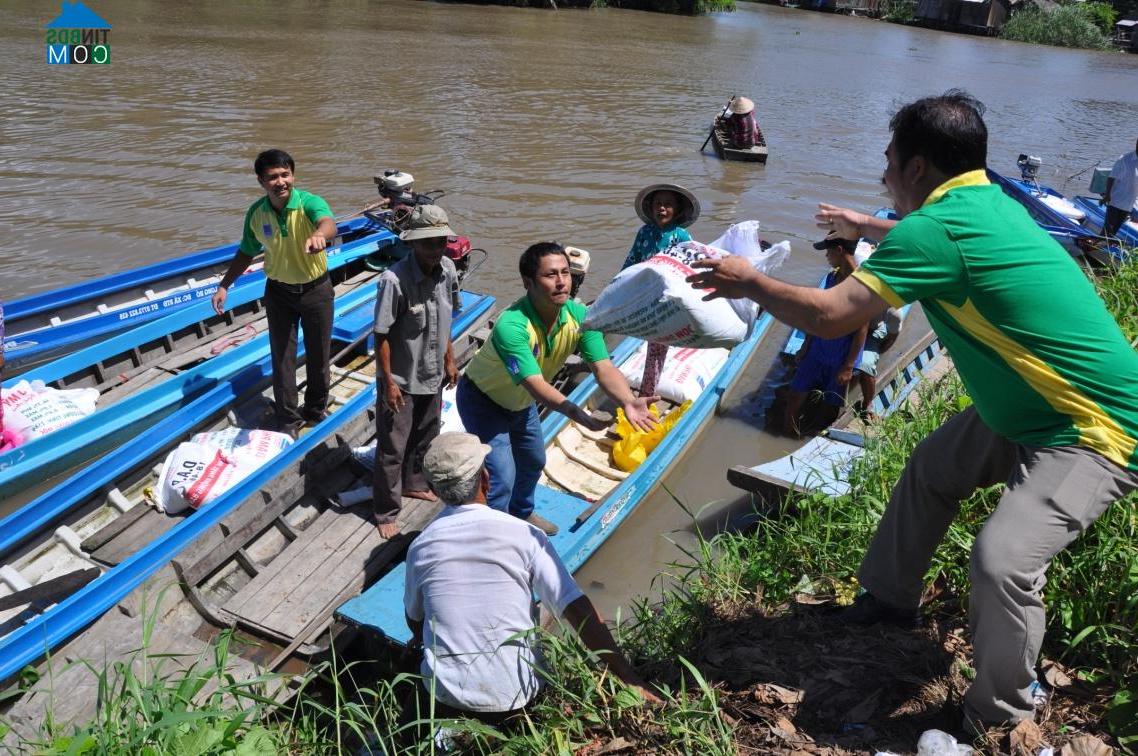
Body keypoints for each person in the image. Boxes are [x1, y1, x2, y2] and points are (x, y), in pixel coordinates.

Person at [688, 90, 1138, 733]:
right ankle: (889, 602)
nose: (884, 176)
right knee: (931, 469)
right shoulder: (989, 204)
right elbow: (924, 237)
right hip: (1027, 407)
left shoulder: (936, 229)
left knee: (1002, 562)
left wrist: (749, 280)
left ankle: (1003, 711)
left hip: (1094, 425)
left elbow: (827, 315)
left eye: (890, 162)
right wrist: (863, 224)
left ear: (918, 168)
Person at [401, 431, 658, 736]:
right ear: (486, 478)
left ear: (434, 490)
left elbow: (415, 621)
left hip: (446, 696)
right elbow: (575, 608)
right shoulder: (525, 535)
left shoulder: (421, 546)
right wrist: (628, 677)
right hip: (516, 697)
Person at [458, 242, 659, 536]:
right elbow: (537, 386)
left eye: (565, 272)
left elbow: (602, 367)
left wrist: (628, 400)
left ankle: (522, 512)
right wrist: (578, 414)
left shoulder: (579, 316)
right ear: (529, 282)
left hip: (520, 401)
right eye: (551, 275)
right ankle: (494, 536)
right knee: (501, 477)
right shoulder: (512, 326)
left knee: (535, 460)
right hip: (483, 401)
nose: (562, 281)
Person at [212, 149, 338, 436]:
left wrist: (320, 234)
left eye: (285, 175)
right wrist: (224, 285)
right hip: (279, 292)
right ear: (261, 181)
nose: (280, 182)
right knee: (282, 358)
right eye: (272, 177)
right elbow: (246, 251)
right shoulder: (257, 213)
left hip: (316, 290)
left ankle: (316, 409)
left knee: (319, 355)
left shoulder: (308, 203)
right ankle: (288, 420)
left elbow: (328, 223)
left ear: (292, 175)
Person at [371, 204, 461, 540]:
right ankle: (385, 509)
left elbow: (447, 321)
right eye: (428, 243)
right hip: (402, 378)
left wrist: (450, 361)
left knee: (426, 436)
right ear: (413, 243)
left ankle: (415, 483)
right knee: (392, 448)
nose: (435, 249)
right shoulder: (393, 280)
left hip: (432, 373)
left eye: (440, 242)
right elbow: (381, 335)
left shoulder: (448, 270)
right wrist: (389, 383)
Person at [783, 238, 868, 437]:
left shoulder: (861, 284)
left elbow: (861, 329)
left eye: (828, 251)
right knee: (796, 395)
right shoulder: (832, 277)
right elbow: (819, 314)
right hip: (818, 347)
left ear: (839, 250)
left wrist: (848, 366)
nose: (826, 256)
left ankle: (814, 438)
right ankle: (788, 434)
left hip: (841, 354)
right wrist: (805, 346)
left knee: (831, 405)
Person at [624, 183, 700, 398]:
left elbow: (690, 267)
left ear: (677, 210)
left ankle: (647, 396)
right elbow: (633, 260)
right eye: (658, 204)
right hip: (644, 295)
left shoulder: (682, 236)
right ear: (651, 207)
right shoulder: (645, 232)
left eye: (668, 205)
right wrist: (618, 285)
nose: (662, 209)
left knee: (657, 349)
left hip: (667, 301)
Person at [1103, 137, 1138, 237]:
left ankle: (1105, 247)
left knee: (1114, 232)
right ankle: (1093, 248)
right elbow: (1111, 177)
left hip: (1128, 205)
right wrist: (1107, 195)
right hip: (1116, 201)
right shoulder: (1125, 159)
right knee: (1107, 230)